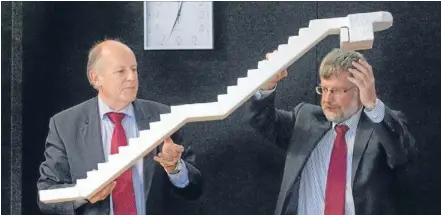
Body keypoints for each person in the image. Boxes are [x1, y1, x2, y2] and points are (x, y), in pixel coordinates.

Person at [37, 39, 202, 215]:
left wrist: (175, 168)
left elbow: (195, 189)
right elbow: (47, 196)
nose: (131, 77)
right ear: (95, 78)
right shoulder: (65, 125)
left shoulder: (163, 117)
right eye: (121, 71)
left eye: (134, 69)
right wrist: (84, 194)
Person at [244, 48, 415, 215]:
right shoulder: (306, 118)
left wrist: (372, 104)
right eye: (324, 89)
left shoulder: (379, 127)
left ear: (360, 90)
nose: (327, 99)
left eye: (337, 91)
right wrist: (267, 84)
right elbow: (261, 119)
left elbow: (402, 154)